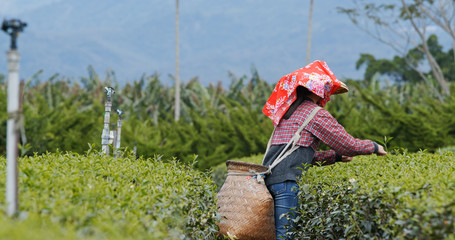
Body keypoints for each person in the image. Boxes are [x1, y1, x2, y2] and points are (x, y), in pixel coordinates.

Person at [262, 60, 387, 239]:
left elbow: (299, 157)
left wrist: (335, 157)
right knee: (286, 236)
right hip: (286, 185)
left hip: (270, 181)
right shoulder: (314, 114)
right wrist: (373, 146)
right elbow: (348, 145)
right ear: (318, 90)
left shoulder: (287, 114)